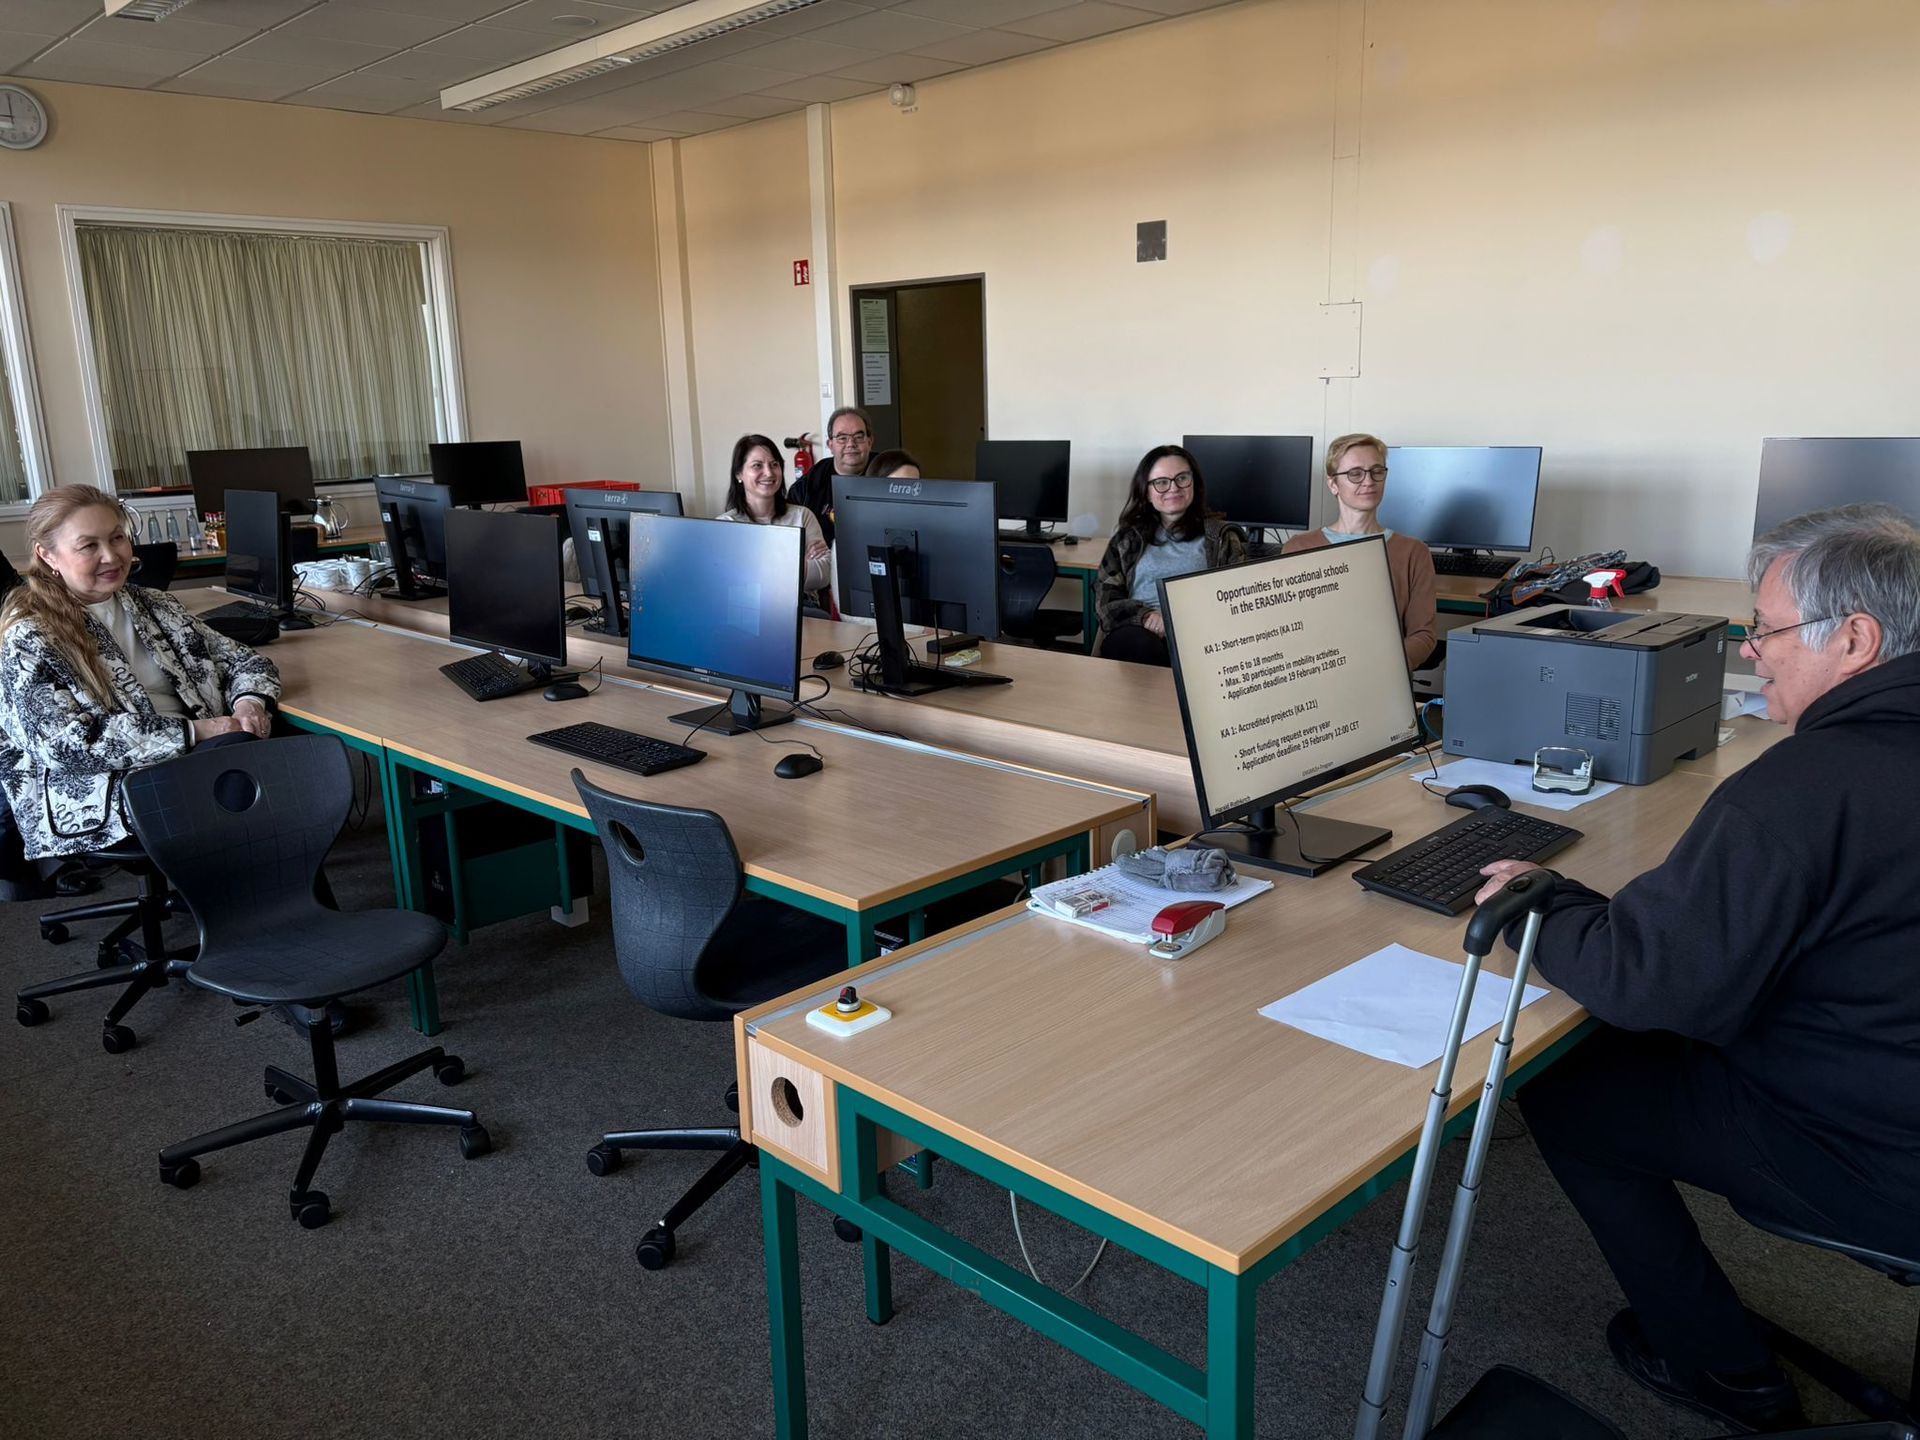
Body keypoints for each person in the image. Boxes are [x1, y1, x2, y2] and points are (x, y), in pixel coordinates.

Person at [1473, 503, 1920, 1434]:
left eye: (1766, 630)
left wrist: (1541, 905)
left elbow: (1647, 984)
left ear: (1855, 641)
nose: (1750, 651)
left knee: (1570, 1089)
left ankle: (1723, 1370)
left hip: (1872, 1154)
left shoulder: (1807, 786)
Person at [0, 484, 280, 859]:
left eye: (117, 538)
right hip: (108, 790)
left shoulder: (154, 604)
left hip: (205, 755)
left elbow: (244, 660)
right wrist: (197, 731)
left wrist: (249, 705)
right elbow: (66, 744)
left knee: (266, 758)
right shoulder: (29, 633)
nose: (111, 556)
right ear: (47, 555)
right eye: (88, 546)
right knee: (252, 776)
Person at [1280, 433, 1437, 669]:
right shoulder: (1298, 548)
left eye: (1377, 471)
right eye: (1355, 473)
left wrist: (1381, 666)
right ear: (1333, 484)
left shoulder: (1414, 553)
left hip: (1384, 677)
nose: (1368, 481)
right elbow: (1285, 631)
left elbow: (1423, 635)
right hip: (1317, 678)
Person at [1094, 445, 1247, 666]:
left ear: (1194, 483)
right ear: (1146, 491)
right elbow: (1105, 599)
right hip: (1139, 630)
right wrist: (1146, 617)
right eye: (1161, 482)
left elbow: (1238, 600)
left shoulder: (1221, 537)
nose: (1173, 488)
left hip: (1199, 632)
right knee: (1140, 646)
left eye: (1182, 478)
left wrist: (1177, 622)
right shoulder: (1128, 538)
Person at [718, 434, 832, 596]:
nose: (769, 473)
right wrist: (798, 563)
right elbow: (726, 583)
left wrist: (756, 566)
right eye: (757, 465)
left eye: (774, 464)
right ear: (739, 474)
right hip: (747, 607)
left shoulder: (802, 516)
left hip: (804, 607)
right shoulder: (724, 525)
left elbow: (824, 576)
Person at [788, 406, 873, 547]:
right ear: (830, 445)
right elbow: (791, 539)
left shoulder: (888, 473)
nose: (851, 444)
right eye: (842, 438)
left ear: (870, 442)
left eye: (858, 437)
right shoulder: (807, 486)